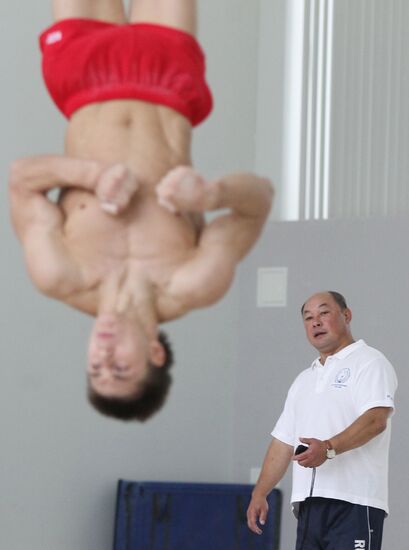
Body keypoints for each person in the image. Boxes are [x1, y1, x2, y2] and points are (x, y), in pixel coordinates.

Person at [8, 0, 273, 421]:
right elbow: (259, 201)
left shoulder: (60, 274)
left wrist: (91, 175)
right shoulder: (194, 281)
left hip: (84, 77)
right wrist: (210, 195)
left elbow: (21, 181)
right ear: (154, 352)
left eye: (95, 366)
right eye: (120, 367)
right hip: (168, 75)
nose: (103, 352)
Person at [247, 291, 397, 550]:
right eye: (308, 317)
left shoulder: (370, 362)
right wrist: (260, 492)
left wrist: (328, 448)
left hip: (354, 503)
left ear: (346, 315)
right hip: (309, 506)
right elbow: (283, 442)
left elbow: (375, 420)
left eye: (324, 313)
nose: (315, 321)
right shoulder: (303, 380)